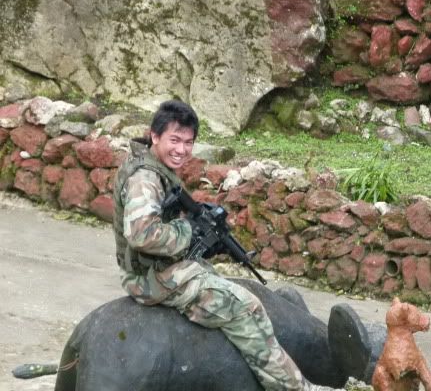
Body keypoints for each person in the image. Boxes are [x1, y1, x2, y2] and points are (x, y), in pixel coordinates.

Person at [112, 100, 334, 391]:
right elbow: (142, 235)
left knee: (215, 278)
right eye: (174, 140)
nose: (182, 150)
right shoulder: (145, 178)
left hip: (157, 268)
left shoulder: (152, 164)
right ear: (155, 136)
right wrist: (188, 232)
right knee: (246, 307)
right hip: (151, 279)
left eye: (188, 142)